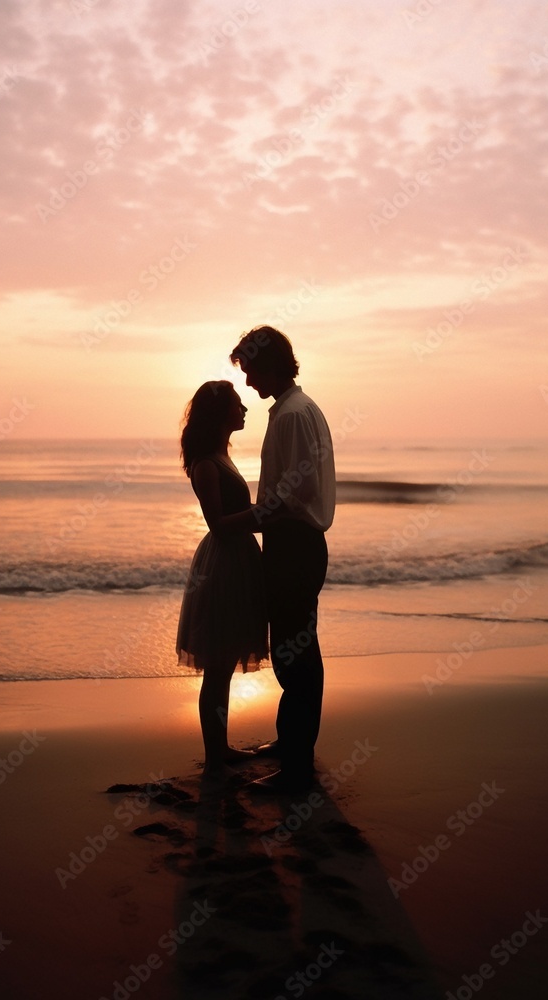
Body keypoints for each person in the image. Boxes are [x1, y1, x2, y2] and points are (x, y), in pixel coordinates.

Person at [230, 326, 336, 792]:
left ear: (270, 364)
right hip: (292, 543)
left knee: (297, 654)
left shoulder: (293, 416)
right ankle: (290, 743)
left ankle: (297, 763)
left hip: (293, 543)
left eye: (251, 370)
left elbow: (294, 496)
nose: (248, 382)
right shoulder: (295, 410)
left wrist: (240, 521)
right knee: (295, 649)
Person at [176, 380, 268, 772]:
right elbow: (217, 523)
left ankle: (220, 748)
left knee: (224, 664)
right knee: (217, 666)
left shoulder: (220, 457)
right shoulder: (206, 465)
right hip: (224, 566)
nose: (244, 409)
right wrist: (266, 514)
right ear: (219, 413)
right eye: (237, 404)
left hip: (236, 560)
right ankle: (216, 753)